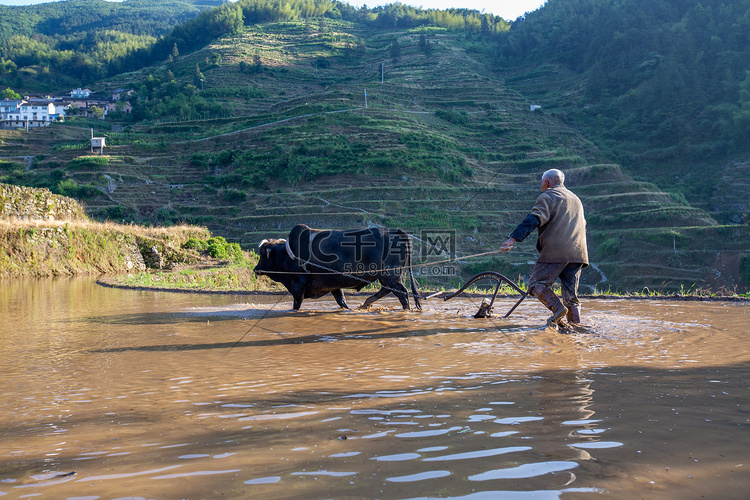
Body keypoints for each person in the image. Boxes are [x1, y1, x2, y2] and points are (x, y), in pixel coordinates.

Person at [500, 169, 588, 328]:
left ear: (546, 182)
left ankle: (558, 309)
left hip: (556, 251)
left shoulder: (548, 196)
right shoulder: (575, 199)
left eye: (542, 182)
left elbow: (534, 219)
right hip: (578, 252)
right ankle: (576, 327)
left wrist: (512, 239)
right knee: (571, 295)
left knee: (535, 284)